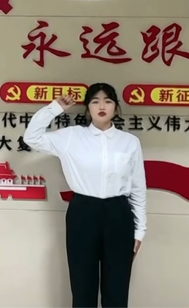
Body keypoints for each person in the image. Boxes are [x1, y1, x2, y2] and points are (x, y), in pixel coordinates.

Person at [23, 83, 147, 308]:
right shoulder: (71, 136)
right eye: (95, 101)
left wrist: (140, 230)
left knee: (117, 288)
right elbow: (32, 137)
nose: (102, 106)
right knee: (82, 286)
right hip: (83, 212)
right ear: (88, 108)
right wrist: (55, 108)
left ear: (116, 107)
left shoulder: (129, 142)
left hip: (119, 214)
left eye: (108, 101)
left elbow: (138, 187)